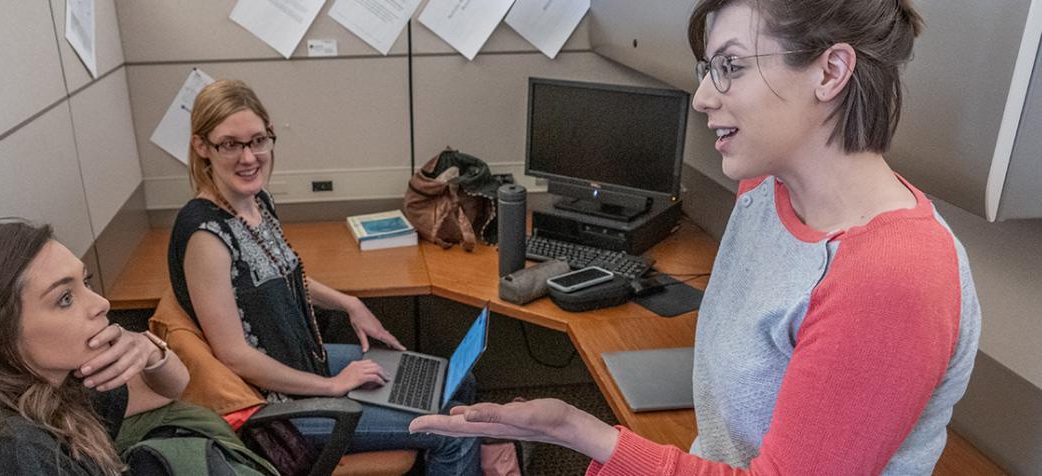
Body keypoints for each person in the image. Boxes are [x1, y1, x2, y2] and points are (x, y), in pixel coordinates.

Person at [411, 1, 981, 474]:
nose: (705, 97)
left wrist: (578, 430)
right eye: (708, 68)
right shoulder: (765, 187)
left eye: (731, 66)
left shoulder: (891, 276)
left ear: (831, 73)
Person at [169, 79, 481, 475]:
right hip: (280, 409)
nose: (249, 157)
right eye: (231, 144)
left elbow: (281, 273)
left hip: (306, 364)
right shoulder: (204, 235)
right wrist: (334, 386)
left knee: (457, 381)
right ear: (202, 147)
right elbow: (235, 354)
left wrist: (349, 304)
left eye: (258, 140)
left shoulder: (255, 199)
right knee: (455, 429)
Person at [0, 221, 194, 474]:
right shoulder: (12, 452)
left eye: (86, 282)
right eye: (65, 299)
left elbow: (166, 389)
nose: (101, 304)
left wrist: (150, 350)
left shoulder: (51, 389)